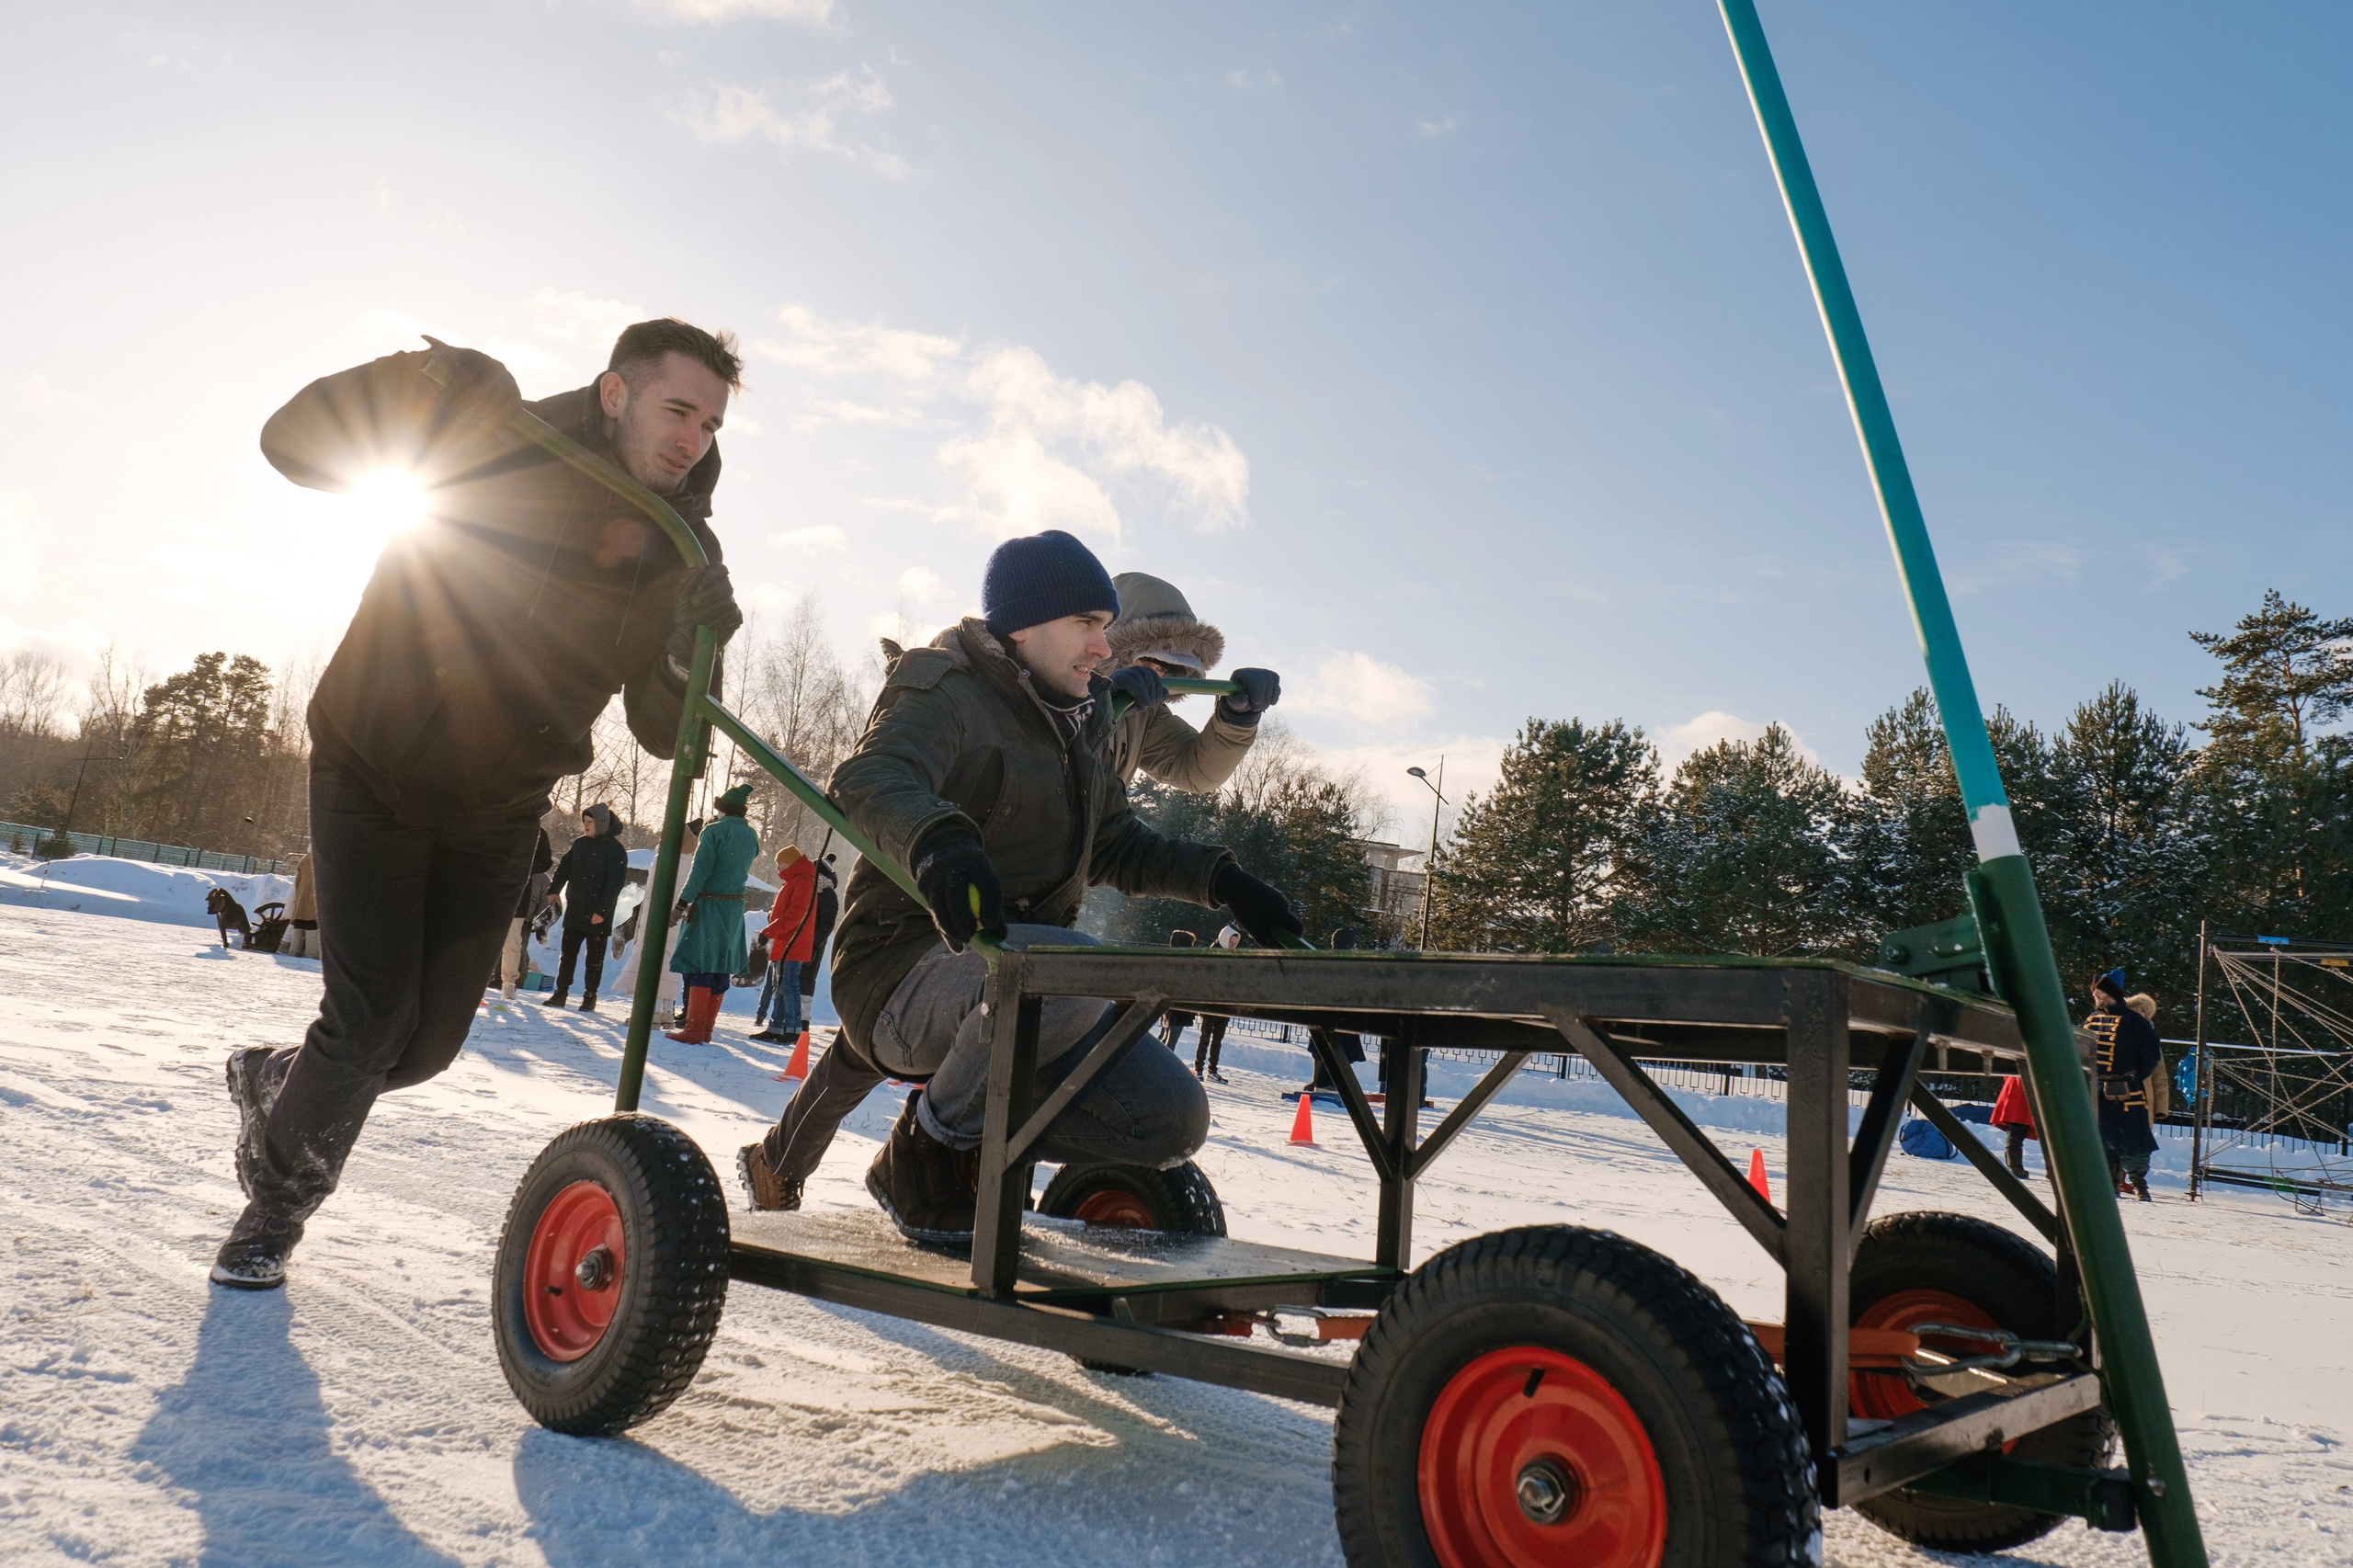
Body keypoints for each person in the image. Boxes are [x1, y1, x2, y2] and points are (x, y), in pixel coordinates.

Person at [213, 318, 745, 1290]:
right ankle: (269, 1217)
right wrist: (408, 381)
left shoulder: (678, 546)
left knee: (424, 1046)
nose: (693, 438)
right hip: (377, 761)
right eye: (678, 409)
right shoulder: (495, 435)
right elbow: (290, 444)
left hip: (497, 804)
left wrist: (687, 647)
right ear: (615, 392)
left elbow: (667, 732)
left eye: (709, 423)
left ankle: (274, 1082)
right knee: (370, 1019)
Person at [736, 529, 1302, 1234]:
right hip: (909, 956)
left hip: (1011, 967)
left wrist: (1223, 881)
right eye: (1087, 627)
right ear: (1025, 626)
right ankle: (933, 1153)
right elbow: (873, 776)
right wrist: (938, 841)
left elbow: (1117, 844)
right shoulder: (946, 686)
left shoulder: (1079, 720)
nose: (1100, 647)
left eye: (1105, 629)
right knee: (1057, 980)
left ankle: (961, 1149)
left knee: (1168, 1116)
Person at [1095, 573, 1281, 790]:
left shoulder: (1143, 716)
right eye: (1145, 659)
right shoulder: (1053, 684)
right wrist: (1098, 705)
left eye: (1163, 667)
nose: (1154, 675)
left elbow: (1194, 772)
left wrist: (1236, 721)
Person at [665, 784, 761, 1043]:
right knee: (720, 966)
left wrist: (681, 904)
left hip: (708, 906)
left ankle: (693, 1030)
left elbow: (700, 872)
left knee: (699, 964)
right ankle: (706, 1030)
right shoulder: (751, 835)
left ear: (722, 810)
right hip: (733, 909)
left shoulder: (713, 832)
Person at [611, 818, 699, 1024]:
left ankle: (645, 1013)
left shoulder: (665, 858)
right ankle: (666, 1012)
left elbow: (653, 894)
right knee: (669, 964)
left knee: (648, 963)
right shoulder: (692, 863)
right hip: (677, 920)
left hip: (658, 917)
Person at [2086, 969, 2162, 1201]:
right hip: (2098, 1090)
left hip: (2128, 1091)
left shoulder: (2135, 1022)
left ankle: (2140, 1186)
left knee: (2132, 1139)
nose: (2095, 993)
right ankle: (2110, 1186)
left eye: (2099, 989)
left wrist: (2133, 1078)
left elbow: (2150, 1056)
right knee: (2103, 1138)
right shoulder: (2091, 1019)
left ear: (2111, 992)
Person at [544, 805, 627, 1011]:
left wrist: (602, 911)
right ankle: (560, 993)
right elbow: (564, 867)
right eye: (585, 821)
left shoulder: (616, 851)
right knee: (567, 955)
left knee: (594, 960)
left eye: (590, 822)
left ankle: (590, 997)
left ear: (600, 824)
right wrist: (555, 889)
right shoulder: (580, 844)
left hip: (598, 915)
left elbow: (614, 885)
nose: (585, 825)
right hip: (575, 911)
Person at [751, 843, 818, 1043]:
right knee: (780, 987)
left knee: (788, 987)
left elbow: (796, 914)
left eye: (780, 863)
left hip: (792, 944)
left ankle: (794, 1028)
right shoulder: (793, 881)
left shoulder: (803, 882)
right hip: (784, 943)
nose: (777, 867)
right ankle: (777, 1027)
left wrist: (770, 930)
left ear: (790, 862)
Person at [1305, 926, 1367, 1096]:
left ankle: (1321, 1081)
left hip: (1325, 1015)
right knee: (1336, 1050)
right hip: (1343, 1018)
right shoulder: (1353, 965)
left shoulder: (1325, 961)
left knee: (1322, 1049)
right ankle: (1327, 1082)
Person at [495, 827, 552, 1000]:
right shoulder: (499, 826)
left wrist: (524, 867)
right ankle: (476, 982)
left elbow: (545, 861)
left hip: (518, 897)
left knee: (512, 943)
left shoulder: (538, 832)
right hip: (492, 893)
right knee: (483, 941)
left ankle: (509, 984)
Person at [1194, 925, 1243, 1083]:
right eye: (1231, 942)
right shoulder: (1213, 954)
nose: (1233, 946)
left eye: (1235, 943)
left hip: (1224, 1004)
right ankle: (1199, 1068)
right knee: (1206, 1036)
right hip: (1211, 1003)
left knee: (1217, 1039)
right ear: (1224, 939)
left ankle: (1212, 1070)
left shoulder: (1232, 957)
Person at [797, 851, 839, 1016]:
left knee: (806, 980)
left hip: (813, 944)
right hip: (802, 942)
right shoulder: (811, 892)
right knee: (796, 980)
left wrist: (814, 944)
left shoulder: (828, 896)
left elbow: (827, 924)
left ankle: (802, 1019)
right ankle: (792, 1019)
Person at [1991, 1071, 2038, 1179]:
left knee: (2015, 1133)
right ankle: (2052, 1170)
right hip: (2026, 1095)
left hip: (2013, 1093)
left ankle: (2014, 1167)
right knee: (2050, 1136)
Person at [1159, 929, 1200, 1049]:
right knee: (1171, 1042)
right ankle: (1162, 1065)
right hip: (1180, 1008)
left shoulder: (1169, 960)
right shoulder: (1186, 964)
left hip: (1167, 1006)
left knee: (1165, 1037)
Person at [282, 852, 322, 960]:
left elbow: (297, 881)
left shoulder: (304, 859)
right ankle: (311, 953)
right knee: (312, 922)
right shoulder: (323, 858)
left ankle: (294, 950)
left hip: (301, 895)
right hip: (315, 895)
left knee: (299, 922)